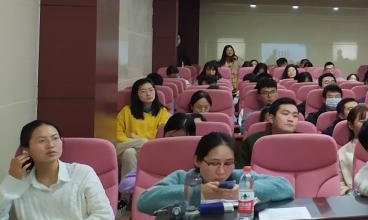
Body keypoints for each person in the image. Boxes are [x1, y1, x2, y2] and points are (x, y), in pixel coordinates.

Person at [137, 132, 293, 213]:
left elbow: (285, 187)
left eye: (228, 163)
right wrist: (198, 192)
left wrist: (244, 191)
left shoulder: (239, 177)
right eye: (214, 163)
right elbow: (144, 201)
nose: (222, 171)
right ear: (198, 160)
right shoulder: (183, 177)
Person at [115, 77, 171, 174]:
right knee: (139, 143)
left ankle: (128, 184)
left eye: (151, 90)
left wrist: (136, 137)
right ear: (136, 94)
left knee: (129, 152)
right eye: (143, 91)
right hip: (124, 146)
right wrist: (138, 141)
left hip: (151, 148)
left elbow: (159, 135)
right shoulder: (126, 111)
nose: (148, 94)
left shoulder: (163, 112)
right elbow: (118, 135)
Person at [237, 97, 301, 166]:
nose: (291, 119)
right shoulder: (254, 141)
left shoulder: (305, 141)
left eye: (295, 116)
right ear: (271, 118)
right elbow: (241, 170)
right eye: (285, 114)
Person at [338, 105, 368, 192]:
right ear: (350, 125)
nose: (367, 124)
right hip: (353, 195)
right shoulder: (341, 153)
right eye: (362, 121)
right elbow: (338, 182)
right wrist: (347, 191)